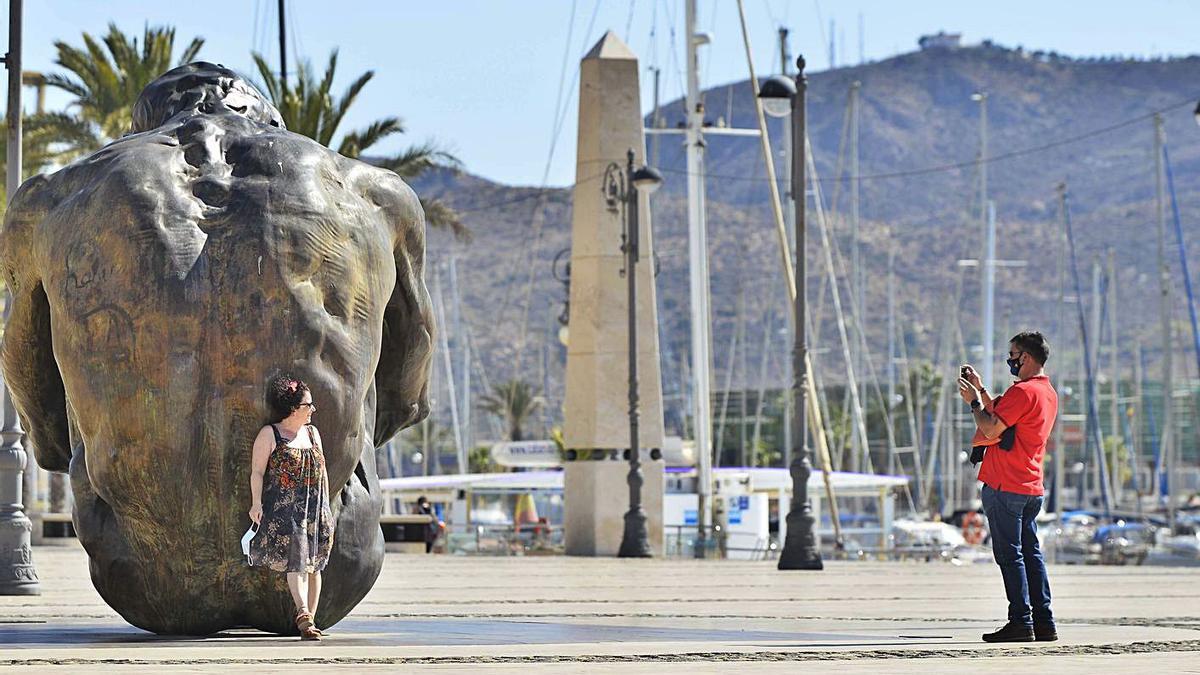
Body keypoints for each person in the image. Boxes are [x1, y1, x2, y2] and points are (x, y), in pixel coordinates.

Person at [958, 331, 1059, 644]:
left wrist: (973, 402)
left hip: (1006, 485)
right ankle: (1043, 621)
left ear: (1025, 357)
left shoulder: (1023, 392)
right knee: (1031, 553)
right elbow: (1006, 417)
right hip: (1031, 487)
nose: (1010, 361)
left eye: (1013, 355)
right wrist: (982, 389)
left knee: (1009, 554)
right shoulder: (1047, 392)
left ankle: (1020, 620)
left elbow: (990, 426)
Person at [249, 375, 334, 640]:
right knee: (296, 563)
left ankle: (310, 618)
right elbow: (257, 472)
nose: (313, 410)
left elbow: (323, 472)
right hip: (286, 509)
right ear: (294, 408)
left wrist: (327, 506)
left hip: (315, 508)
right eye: (309, 405)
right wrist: (255, 503)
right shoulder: (270, 434)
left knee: (314, 565)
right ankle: (303, 614)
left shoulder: (313, 433)